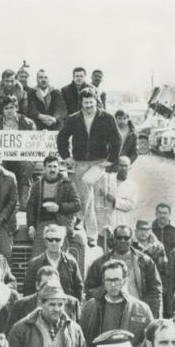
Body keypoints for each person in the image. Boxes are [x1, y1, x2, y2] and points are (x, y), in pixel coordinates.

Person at [56, 89, 121, 245]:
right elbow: (62, 137)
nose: (89, 105)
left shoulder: (107, 118)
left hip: (99, 162)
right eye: (86, 103)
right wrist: (66, 157)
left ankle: (79, 218)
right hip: (80, 162)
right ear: (81, 103)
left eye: (91, 102)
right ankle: (92, 236)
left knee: (89, 194)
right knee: (88, 198)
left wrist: (111, 159)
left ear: (96, 101)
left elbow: (116, 140)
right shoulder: (73, 119)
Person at [80, 258, 155, 347]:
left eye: (117, 280)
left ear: (124, 280)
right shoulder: (90, 307)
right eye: (108, 280)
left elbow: (150, 342)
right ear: (103, 281)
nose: (113, 284)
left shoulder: (141, 309)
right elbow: (81, 341)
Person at [85, 224, 162, 311]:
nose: (122, 241)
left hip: (136, 311)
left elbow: (155, 290)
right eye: (119, 237)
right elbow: (90, 290)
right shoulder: (100, 263)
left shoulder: (144, 261)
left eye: (126, 238)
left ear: (132, 239)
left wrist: (149, 311)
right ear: (114, 239)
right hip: (109, 311)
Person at [0, 264, 80, 334]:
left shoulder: (72, 304)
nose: (49, 288)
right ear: (37, 285)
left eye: (54, 284)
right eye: (45, 284)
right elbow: (10, 336)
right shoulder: (20, 306)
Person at [25, 154, 82, 246]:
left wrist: (59, 207)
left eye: (55, 167)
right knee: (37, 254)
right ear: (44, 168)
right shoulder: (36, 186)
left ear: (59, 168)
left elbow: (77, 204)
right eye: (49, 166)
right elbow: (31, 207)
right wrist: (31, 226)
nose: (52, 170)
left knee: (60, 251)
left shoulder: (67, 184)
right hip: (43, 223)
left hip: (62, 223)